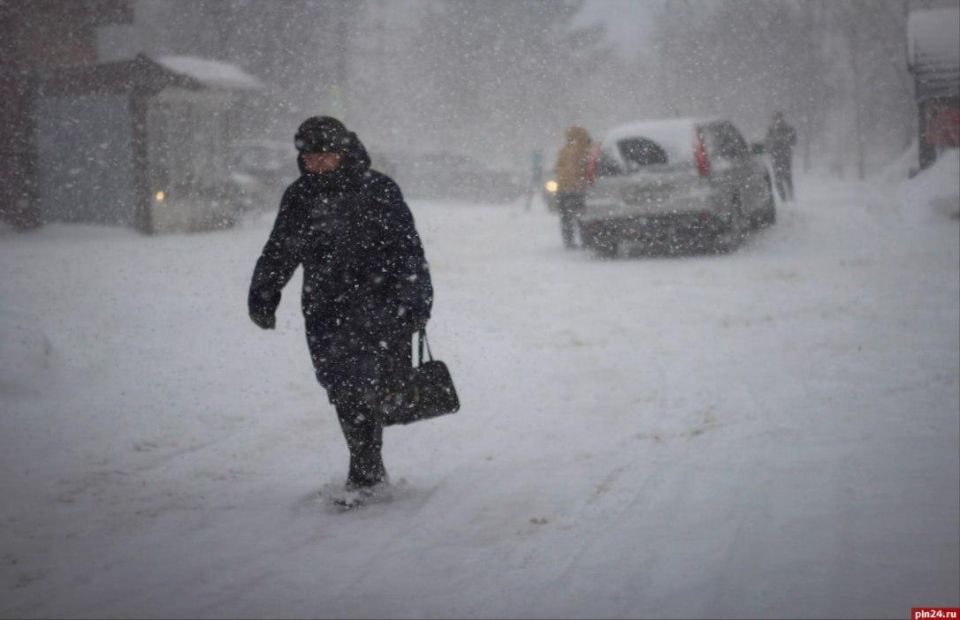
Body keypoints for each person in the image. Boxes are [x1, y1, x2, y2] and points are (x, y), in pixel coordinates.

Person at [248, 116, 433, 499]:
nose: (316, 164)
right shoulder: (300, 196)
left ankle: (364, 472)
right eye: (309, 158)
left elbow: (408, 250)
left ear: (343, 152)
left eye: (325, 156)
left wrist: (416, 300)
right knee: (343, 387)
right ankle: (367, 465)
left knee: (369, 387)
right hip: (324, 308)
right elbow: (281, 249)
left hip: (381, 306)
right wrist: (264, 292)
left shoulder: (378, 190)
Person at [553, 126, 593, 248]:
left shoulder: (564, 150)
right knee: (582, 217)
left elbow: (557, 168)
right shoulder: (586, 149)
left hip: (563, 188)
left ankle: (568, 241)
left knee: (566, 217)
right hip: (579, 189)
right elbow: (587, 168)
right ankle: (586, 240)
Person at [765, 111, 797, 201]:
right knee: (780, 179)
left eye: (778, 118)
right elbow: (767, 143)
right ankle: (785, 198)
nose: (777, 120)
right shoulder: (771, 130)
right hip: (777, 157)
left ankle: (789, 198)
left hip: (783, 156)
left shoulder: (788, 129)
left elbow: (793, 141)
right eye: (775, 118)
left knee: (785, 178)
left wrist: (784, 143)